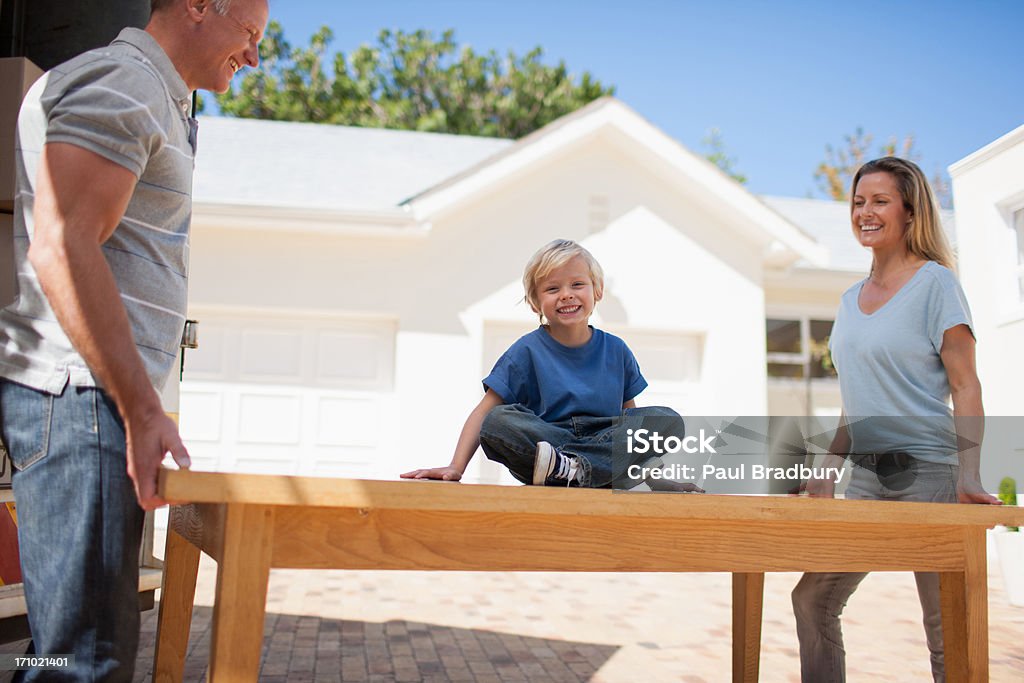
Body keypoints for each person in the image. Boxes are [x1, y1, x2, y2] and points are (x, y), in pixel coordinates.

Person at [0, 0, 268, 679]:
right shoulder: (125, 81)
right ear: (199, 6)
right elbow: (64, 246)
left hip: (95, 402)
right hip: (83, 399)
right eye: (251, 33)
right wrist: (141, 410)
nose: (254, 55)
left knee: (73, 647)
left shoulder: (156, 96)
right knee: (80, 660)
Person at [791, 157, 999, 683]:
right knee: (813, 599)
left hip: (929, 474)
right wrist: (826, 466)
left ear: (910, 211)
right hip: (866, 480)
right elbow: (852, 397)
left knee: (945, 628)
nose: (865, 212)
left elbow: (965, 384)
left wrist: (968, 475)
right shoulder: (848, 299)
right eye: (859, 202)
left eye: (879, 201)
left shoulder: (936, 285)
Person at [402, 238, 702, 492]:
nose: (566, 294)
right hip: (547, 447)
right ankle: (585, 470)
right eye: (552, 288)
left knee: (666, 419)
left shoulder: (616, 350)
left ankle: (581, 469)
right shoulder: (526, 350)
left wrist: (652, 477)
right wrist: (456, 467)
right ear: (535, 303)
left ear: (596, 291)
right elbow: (484, 412)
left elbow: (631, 419)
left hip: (603, 437)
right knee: (498, 421)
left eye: (577, 284)